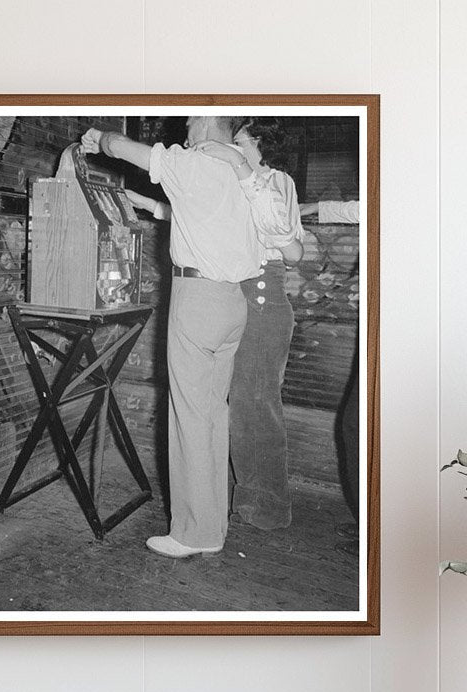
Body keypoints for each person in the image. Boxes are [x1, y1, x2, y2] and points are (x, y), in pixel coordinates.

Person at [80, 117, 263, 558]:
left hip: (197, 299)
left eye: (191, 120)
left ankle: (191, 534)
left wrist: (99, 138)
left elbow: (123, 148)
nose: (186, 128)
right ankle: (212, 527)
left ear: (206, 121)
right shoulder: (245, 172)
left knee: (189, 418)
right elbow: (191, 215)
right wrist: (143, 202)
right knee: (212, 415)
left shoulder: (194, 162)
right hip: (233, 301)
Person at [193, 119, 306, 530]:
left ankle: (267, 508)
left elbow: (286, 244)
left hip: (262, 296)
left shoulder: (274, 181)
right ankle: (254, 501)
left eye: (238, 141)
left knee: (255, 407)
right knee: (246, 406)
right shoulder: (245, 182)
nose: (233, 147)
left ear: (258, 143)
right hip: (241, 294)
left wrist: (236, 165)